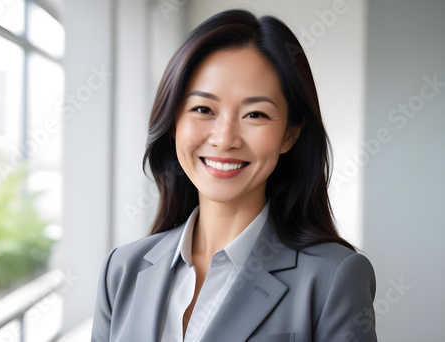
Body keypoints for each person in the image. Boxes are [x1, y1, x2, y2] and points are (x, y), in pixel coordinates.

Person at [91, 9, 377, 342]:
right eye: (203, 109)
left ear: (290, 134)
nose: (225, 139)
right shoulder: (121, 270)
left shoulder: (333, 278)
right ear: (173, 122)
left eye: (255, 114)